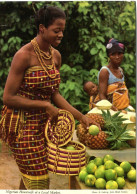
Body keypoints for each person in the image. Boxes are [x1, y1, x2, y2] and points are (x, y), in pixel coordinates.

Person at [0, 6, 96, 190]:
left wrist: (81, 117)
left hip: (45, 126)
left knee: (32, 177)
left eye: (63, 31)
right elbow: (8, 97)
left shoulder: (55, 56)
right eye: (56, 30)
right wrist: (44, 105)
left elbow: (55, 95)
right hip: (22, 125)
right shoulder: (23, 55)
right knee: (40, 180)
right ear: (42, 28)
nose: (61, 35)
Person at [98, 38, 130, 111]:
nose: (117, 57)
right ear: (109, 56)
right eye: (113, 54)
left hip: (123, 108)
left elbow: (123, 91)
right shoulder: (105, 71)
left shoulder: (120, 70)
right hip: (110, 110)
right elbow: (102, 95)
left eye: (119, 53)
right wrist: (112, 109)